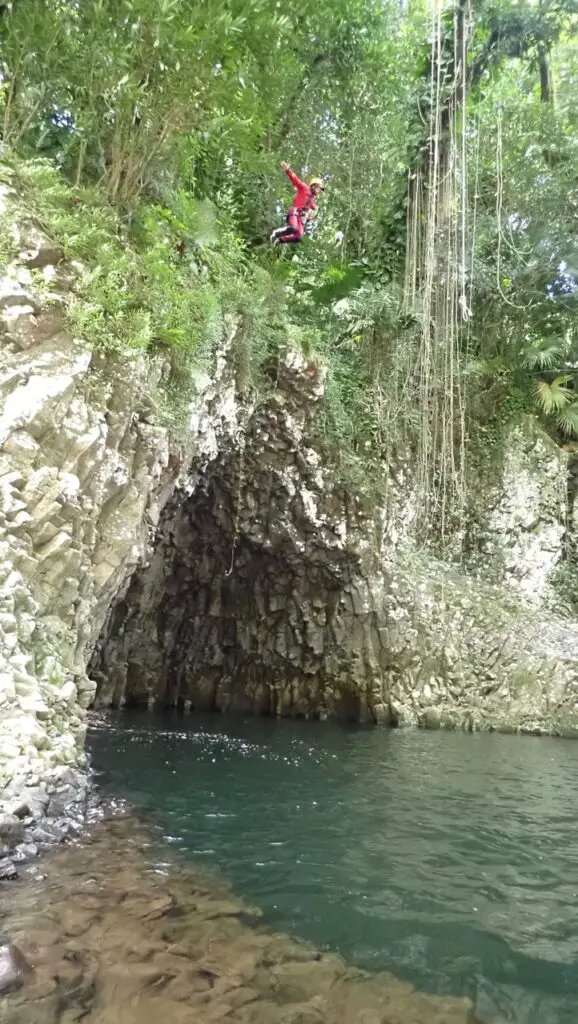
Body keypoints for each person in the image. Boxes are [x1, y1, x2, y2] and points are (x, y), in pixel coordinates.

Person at [270, 161, 325, 246]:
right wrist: (288, 170)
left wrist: (314, 213)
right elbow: (295, 180)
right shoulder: (304, 188)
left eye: (320, 190)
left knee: (299, 236)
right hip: (294, 211)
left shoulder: (313, 199)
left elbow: (312, 209)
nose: (319, 191)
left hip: (300, 218)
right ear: (314, 186)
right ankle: (276, 233)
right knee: (293, 227)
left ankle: (279, 240)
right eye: (318, 188)